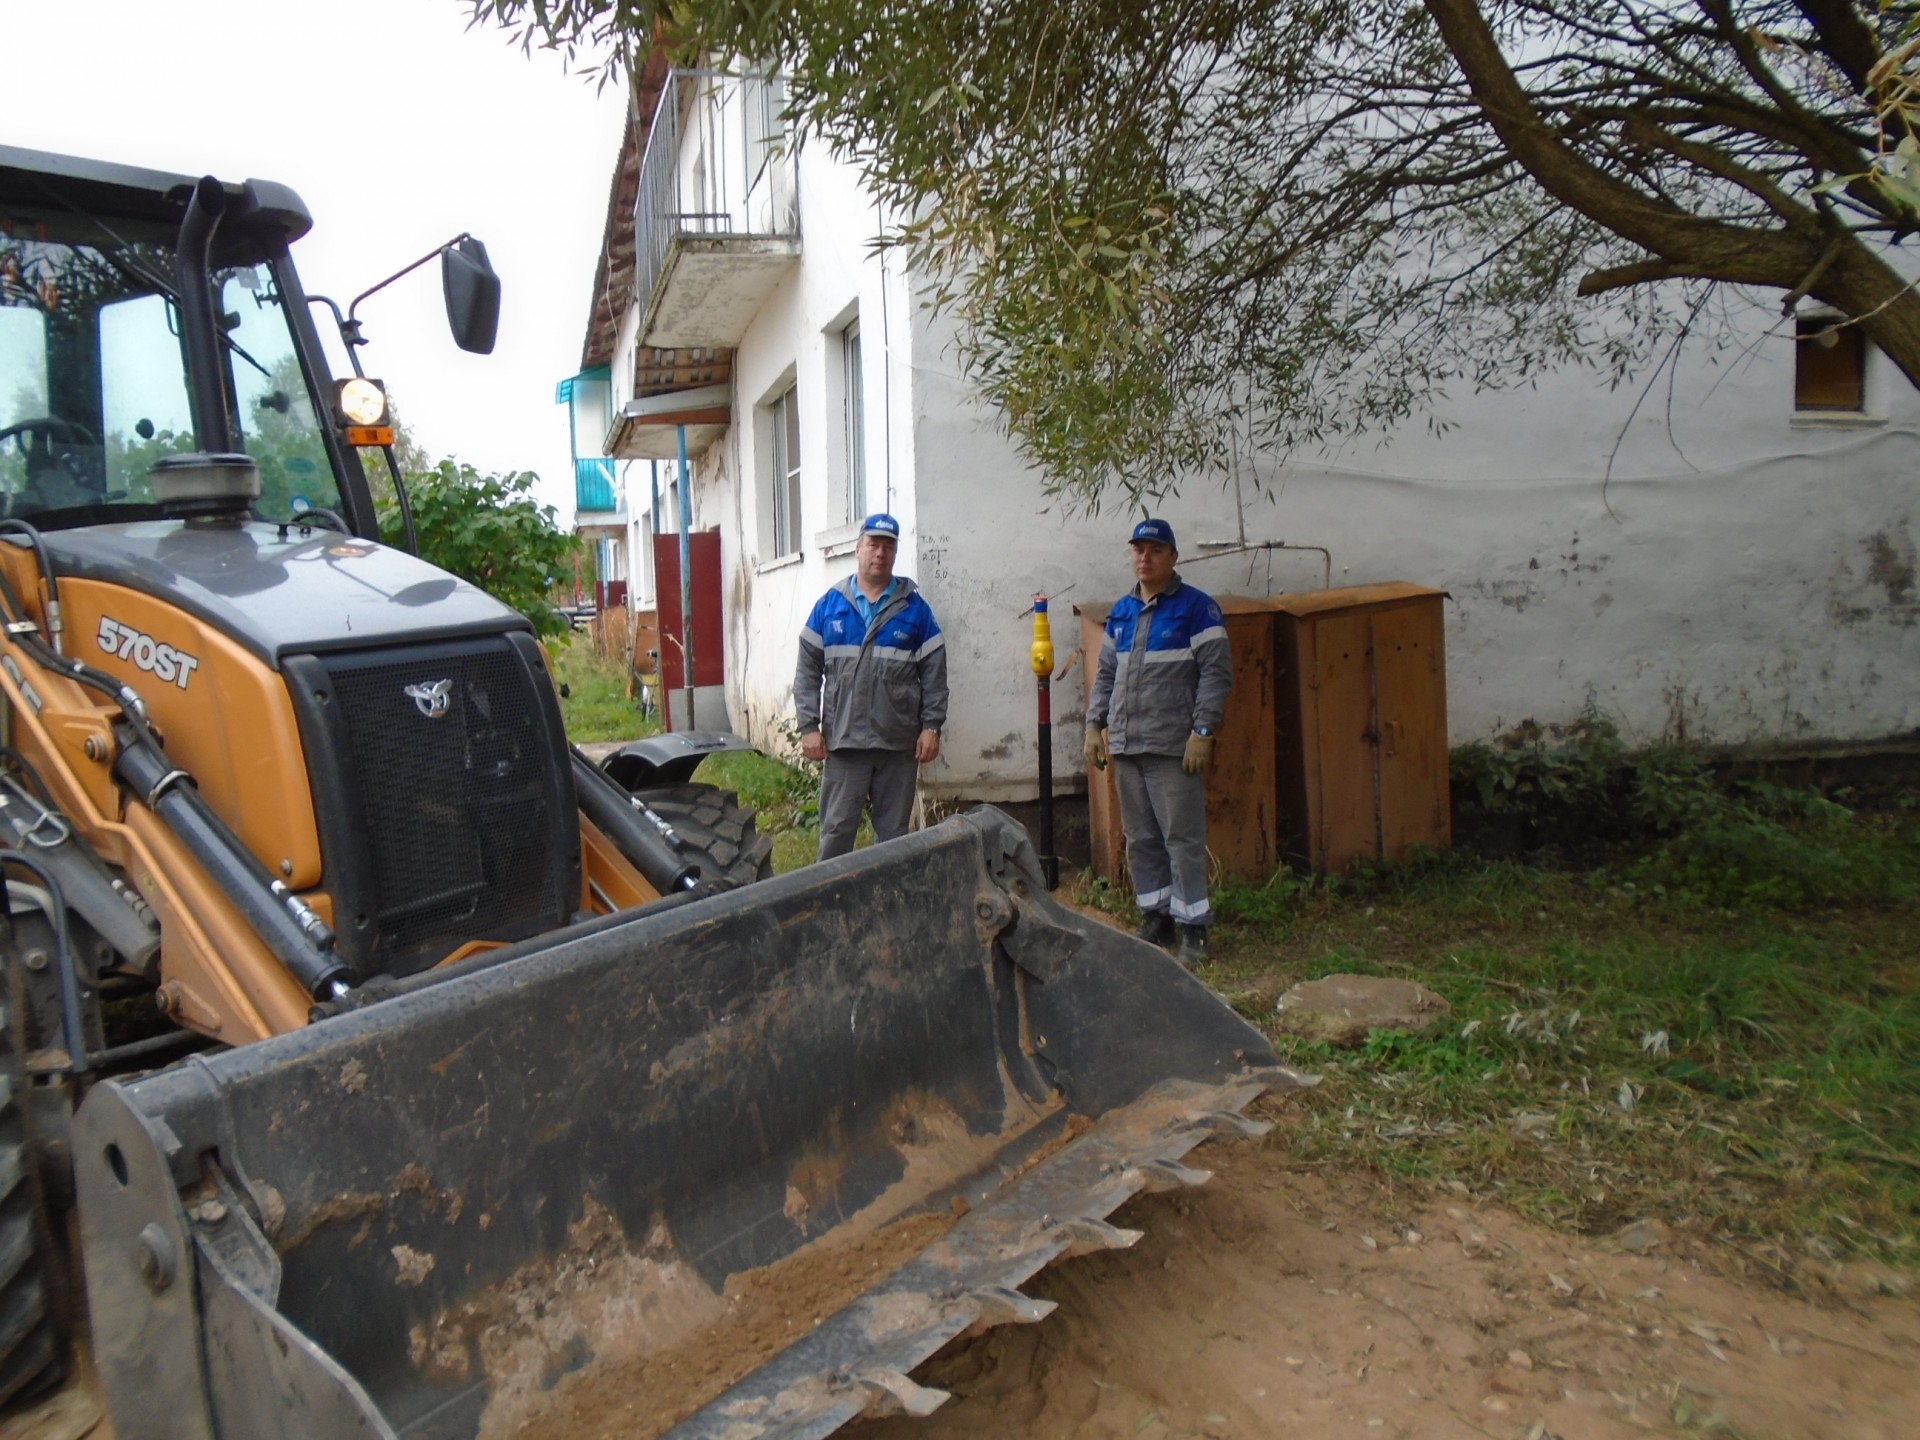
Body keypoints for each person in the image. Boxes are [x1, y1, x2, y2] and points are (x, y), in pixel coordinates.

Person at [1084, 518, 1232, 966]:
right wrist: (1094, 726)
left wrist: (1203, 732)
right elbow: (1106, 674)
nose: (1144, 558)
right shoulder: (1122, 613)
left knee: (1181, 838)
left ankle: (1194, 929)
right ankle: (1158, 917)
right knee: (1141, 837)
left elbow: (1216, 675)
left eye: (1154, 550)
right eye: (1138, 550)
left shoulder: (1196, 609)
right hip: (1129, 746)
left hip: (1173, 748)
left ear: (1173, 556)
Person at [794, 512, 949, 861]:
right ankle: (831, 900)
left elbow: (935, 673)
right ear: (858, 549)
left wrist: (931, 727)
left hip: (897, 746)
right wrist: (808, 727)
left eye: (888, 547)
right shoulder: (829, 607)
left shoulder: (914, 609)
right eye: (873, 544)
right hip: (845, 743)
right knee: (836, 834)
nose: (880, 553)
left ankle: (888, 903)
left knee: (894, 841)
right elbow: (806, 671)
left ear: (895, 553)